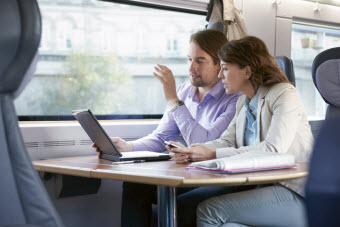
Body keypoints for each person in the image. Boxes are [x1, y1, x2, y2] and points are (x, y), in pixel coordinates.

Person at [93, 29, 242, 227]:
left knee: (178, 205)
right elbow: (161, 137)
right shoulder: (183, 91)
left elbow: (204, 144)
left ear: (218, 64)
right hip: (185, 173)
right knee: (134, 186)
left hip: (212, 176)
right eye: (189, 59)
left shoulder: (235, 98)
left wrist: (173, 100)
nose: (191, 67)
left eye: (200, 60)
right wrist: (127, 147)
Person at [169, 36, 314, 227]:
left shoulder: (284, 94)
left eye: (225, 68)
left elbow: (273, 149)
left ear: (246, 71)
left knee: (209, 210)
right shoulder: (243, 102)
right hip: (259, 186)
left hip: (294, 191)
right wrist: (193, 152)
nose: (220, 75)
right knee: (182, 206)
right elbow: (227, 142)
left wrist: (212, 154)